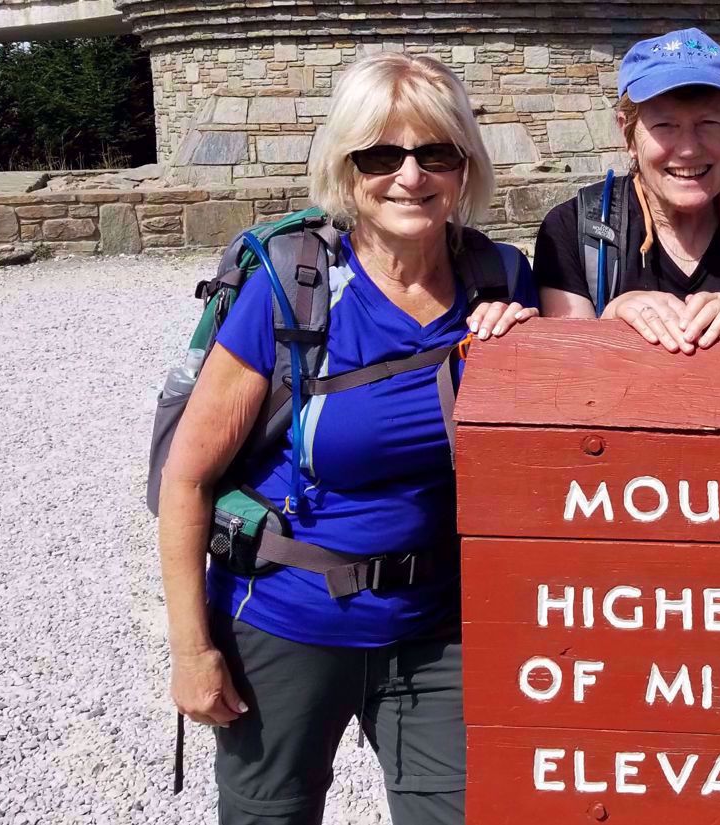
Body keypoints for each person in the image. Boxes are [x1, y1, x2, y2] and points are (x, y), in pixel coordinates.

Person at [156, 53, 536, 824]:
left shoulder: (503, 282)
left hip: (438, 627)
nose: (410, 175)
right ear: (345, 165)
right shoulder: (292, 288)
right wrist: (192, 651)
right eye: (381, 154)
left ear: (464, 164)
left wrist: (537, 352)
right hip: (287, 621)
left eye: (436, 152)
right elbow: (186, 479)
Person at [533, 28, 720, 353]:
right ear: (628, 134)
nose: (688, 149)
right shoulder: (572, 234)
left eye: (709, 124)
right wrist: (611, 319)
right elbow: (569, 385)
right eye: (664, 126)